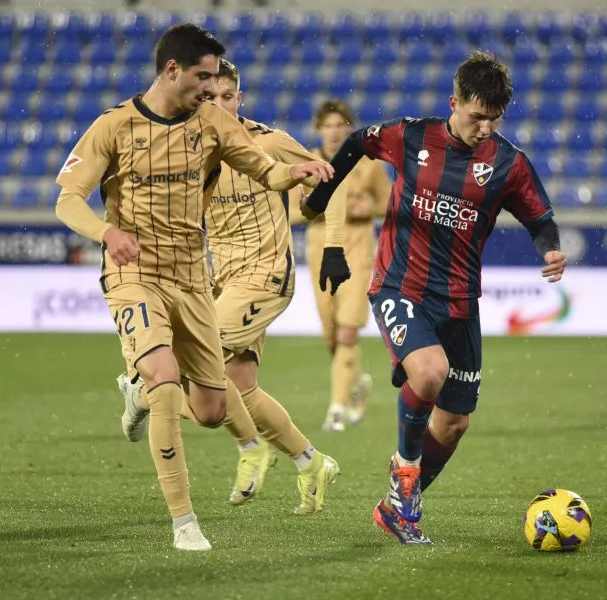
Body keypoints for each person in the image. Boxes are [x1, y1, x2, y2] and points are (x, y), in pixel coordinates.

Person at [54, 23, 333, 551]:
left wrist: (298, 174)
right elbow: (68, 199)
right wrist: (106, 232)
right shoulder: (114, 125)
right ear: (172, 70)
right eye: (203, 78)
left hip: (193, 278)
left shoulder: (212, 123)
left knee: (211, 408)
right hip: (135, 274)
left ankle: (141, 394)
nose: (210, 89)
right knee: (165, 379)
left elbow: (265, 171)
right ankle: (184, 522)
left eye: (216, 81)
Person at [303, 51, 566, 544]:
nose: (485, 128)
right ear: (454, 103)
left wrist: (550, 249)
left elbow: (540, 219)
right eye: (476, 116)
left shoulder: (508, 163)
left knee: (453, 423)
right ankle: (405, 471)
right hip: (400, 284)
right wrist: (320, 197)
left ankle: (397, 506)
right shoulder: (413, 137)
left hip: (460, 302)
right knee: (428, 373)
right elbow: (357, 142)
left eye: (494, 119)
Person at [118, 58, 341, 512]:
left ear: (239, 98)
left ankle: (144, 394)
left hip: (266, 277)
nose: (217, 105)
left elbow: (325, 182)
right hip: (221, 281)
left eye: (226, 97)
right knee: (235, 390)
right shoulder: (193, 149)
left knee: (189, 362)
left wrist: (330, 239)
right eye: (209, 97)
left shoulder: (270, 142)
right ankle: (311, 461)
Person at [296, 100, 391, 432]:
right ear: (319, 129)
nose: (335, 132)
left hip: (358, 250)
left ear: (349, 128)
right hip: (321, 250)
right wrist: (321, 207)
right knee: (332, 335)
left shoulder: (367, 164)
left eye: (341, 125)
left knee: (348, 330)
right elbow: (292, 212)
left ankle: (336, 409)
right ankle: (355, 384)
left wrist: (369, 208)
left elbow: (389, 201)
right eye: (328, 125)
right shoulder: (305, 163)